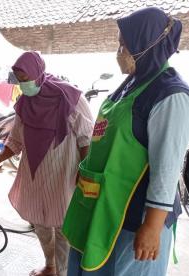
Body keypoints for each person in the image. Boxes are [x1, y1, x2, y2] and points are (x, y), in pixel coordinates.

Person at [62, 7, 189, 276]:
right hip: (103, 207)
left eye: (124, 45)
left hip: (135, 219)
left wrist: (152, 227)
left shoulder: (170, 94)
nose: (119, 52)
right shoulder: (132, 82)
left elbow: (167, 167)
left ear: (146, 45)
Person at [0, 51, 94, 276]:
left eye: (25, 78)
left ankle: (63, 271)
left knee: (64, 225)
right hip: (33, 174)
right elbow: (15, 140)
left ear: (38, 72)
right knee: (40, 222)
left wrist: (86, 172)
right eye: (19, 79)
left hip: (63, 172)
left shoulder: (69, 98)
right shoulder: (24, 103)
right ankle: (50, 265)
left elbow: (86, 138)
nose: (23, 84)